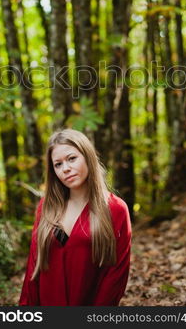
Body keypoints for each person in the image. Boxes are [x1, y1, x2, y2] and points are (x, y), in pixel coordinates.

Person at [19, 128, 132, 306]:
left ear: (88, 157)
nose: (66, 169)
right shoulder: (47, 207)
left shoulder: (116, 209)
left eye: (72, 159)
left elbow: (116, 275)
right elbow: (34, 266)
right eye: (58, 164)